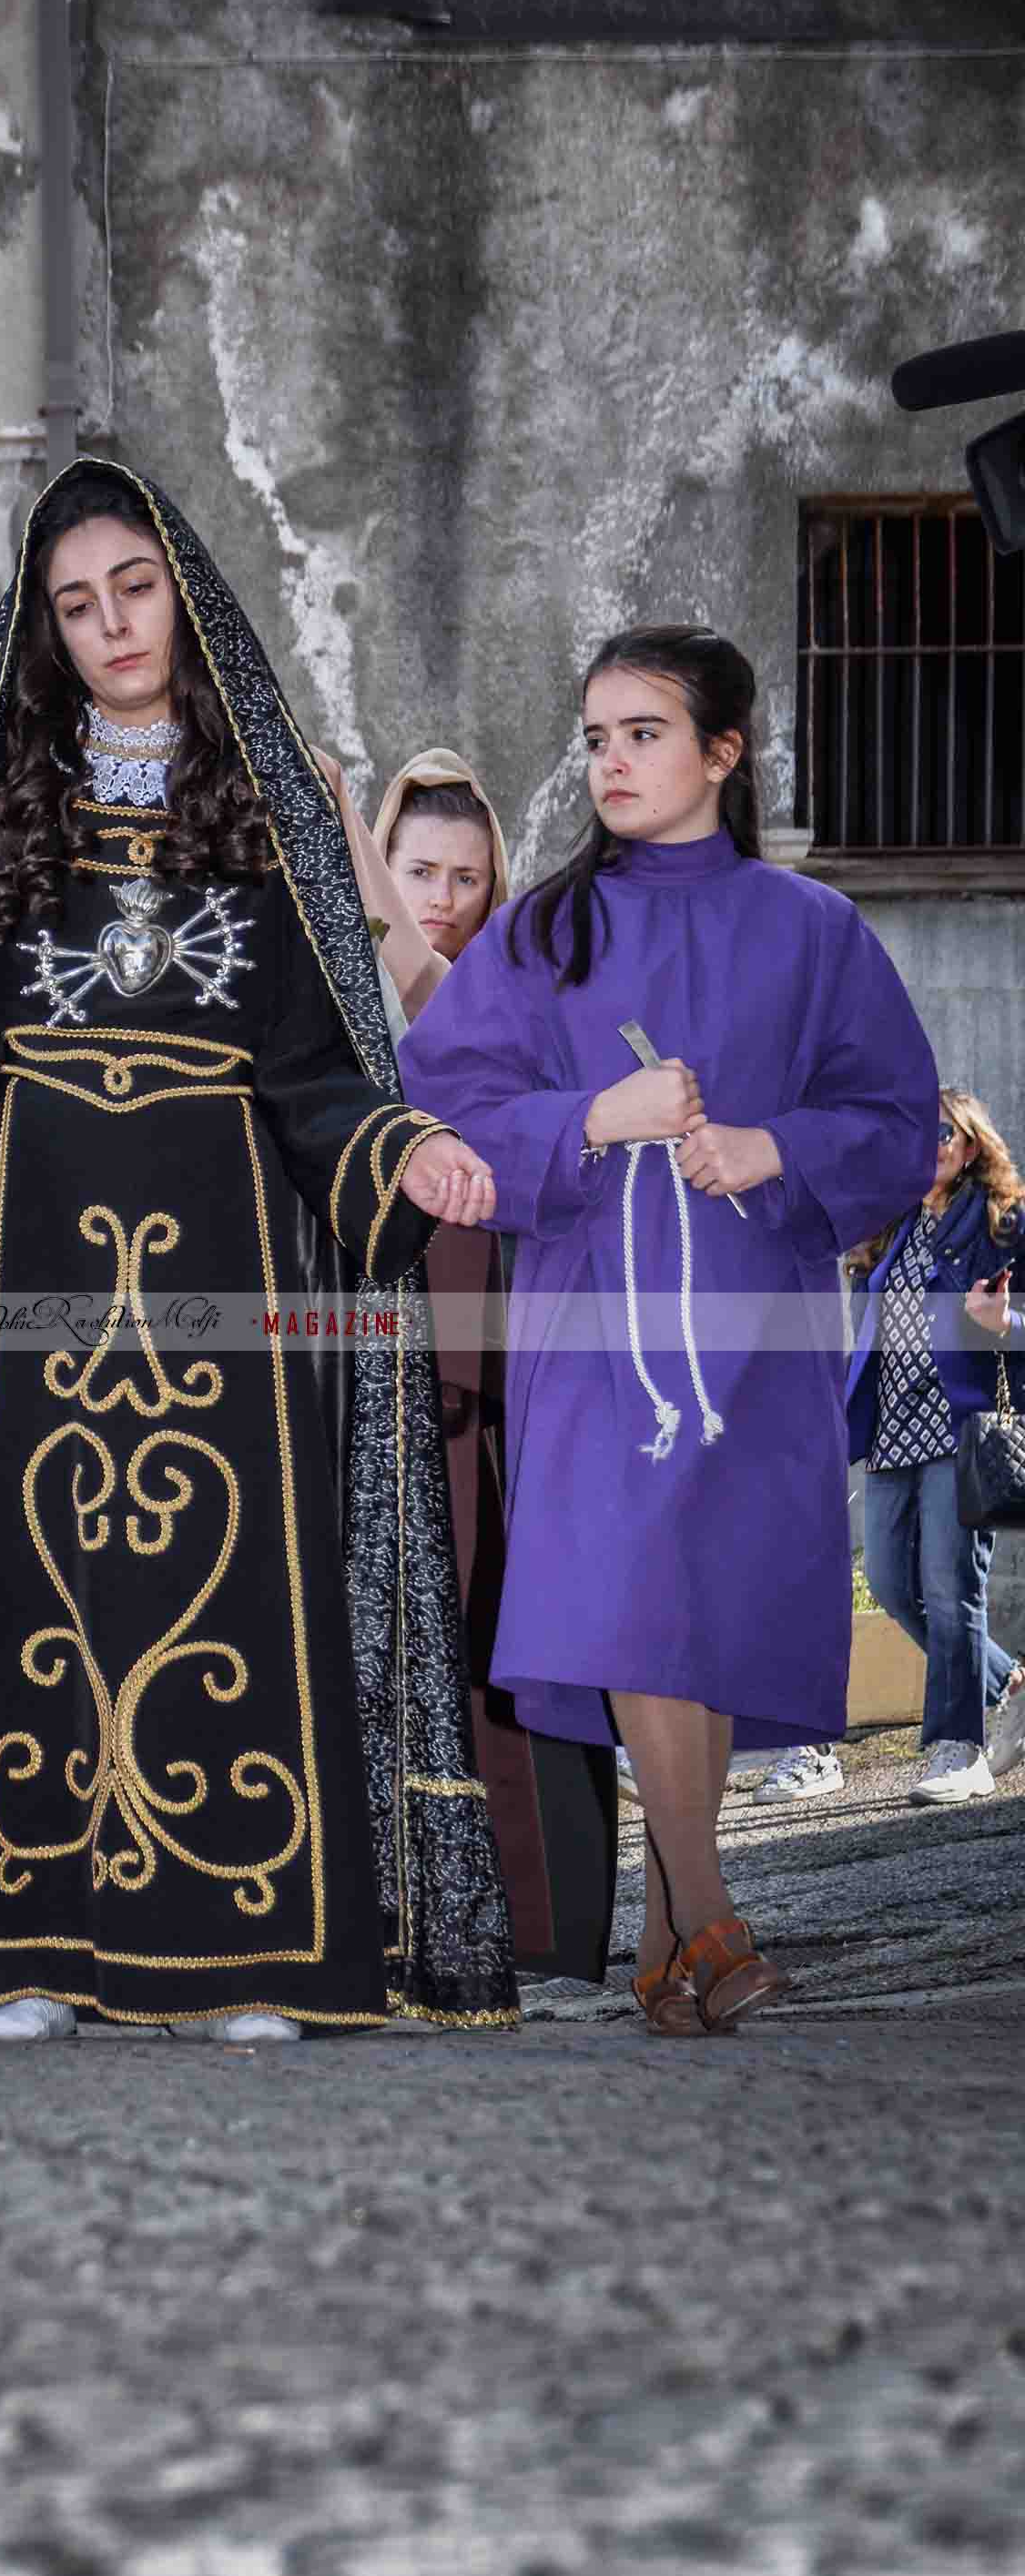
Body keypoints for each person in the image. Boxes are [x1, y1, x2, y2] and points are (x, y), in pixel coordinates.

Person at [0, 459, 513, 2046]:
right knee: (13, 1582)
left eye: (134, 587)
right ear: (43, 626)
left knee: (236, 1582)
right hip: (16, 1268)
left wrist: (410, 1148)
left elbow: (321, 1072)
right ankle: (19, 1953)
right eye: (74, 600)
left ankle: (243, 1954)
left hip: (222, 1277)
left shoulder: (273, 807)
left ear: (184, 590)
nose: (109, 622)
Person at [401, 625, 937, 2035]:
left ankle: (664, 1954)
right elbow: (433, 1102)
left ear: (723, 750)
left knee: (694, 1613)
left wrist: (775, 1148)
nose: (613, 761)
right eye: (596, 736)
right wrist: (594, 1117)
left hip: (757, 1333)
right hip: (596, 1335)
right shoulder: (540, 934)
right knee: (637, 1595)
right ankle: (713, 1917)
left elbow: (896, 1121)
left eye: (644, 732)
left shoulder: (816, 933)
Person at [327, 749, 619, 1983]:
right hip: (381, 1385)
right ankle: (394, 1926)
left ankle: (543, 1937)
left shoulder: (504, 1001)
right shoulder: (337, 1021)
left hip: (504, 1392)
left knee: (520, 1659)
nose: (443, 894)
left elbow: (418, 970)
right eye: (419, 871)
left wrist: (336, 817)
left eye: (466, 874)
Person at [843, 1087, 1025, 1806]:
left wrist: (1002, 1317)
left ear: (973, 1144)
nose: (931, 1146)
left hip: (960, 1428)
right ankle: (1010, 1681)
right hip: (891, 1433)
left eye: (945, 1134)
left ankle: (961, 1749)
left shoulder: (1003, 1223)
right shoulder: (888, 1230)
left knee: (954, 1593)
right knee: (890, 1583)